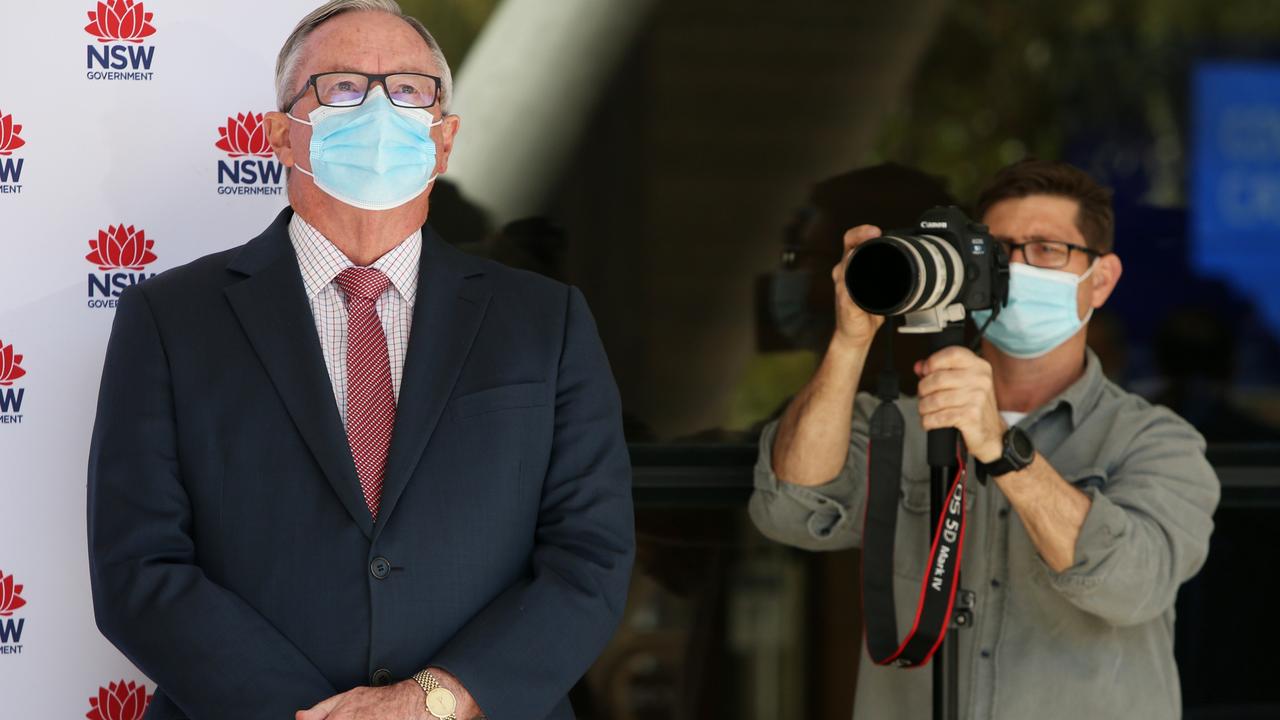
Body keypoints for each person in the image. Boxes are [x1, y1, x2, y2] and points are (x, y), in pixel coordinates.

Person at [86, 2, 634, 719]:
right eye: (343, 86)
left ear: (444, 140)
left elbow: (589, 556)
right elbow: (140, 567)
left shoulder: (544, 322)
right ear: (281, 135)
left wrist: (432, 701)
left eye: (409, 90)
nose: (380, 108)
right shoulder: (172, 320)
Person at [749, 159, 1219, 718]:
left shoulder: (1159, 442)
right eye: (997, 251)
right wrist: (852, 341)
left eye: (1047, 249)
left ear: (1103, 278)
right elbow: (788, 509)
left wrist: (1000, 446)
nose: (1017, 268)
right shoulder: (894, 419)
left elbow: (1130, 584)